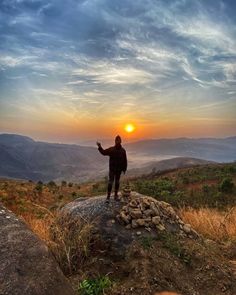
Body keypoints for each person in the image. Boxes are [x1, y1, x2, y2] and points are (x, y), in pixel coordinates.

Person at [97, 135, 127, 203]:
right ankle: (108, 197)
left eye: (119, 140)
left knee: (117, 182)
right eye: (117, 140)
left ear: (121, 141)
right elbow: (104, 152)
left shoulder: (123, 151)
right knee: (110, 182)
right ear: (115, 141)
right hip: (112, 170)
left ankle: (115, 195)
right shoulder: (111, 149)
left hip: (118, 170)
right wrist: (99, 147)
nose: (118, 141)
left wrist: (124, 169)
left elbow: (125, 160)